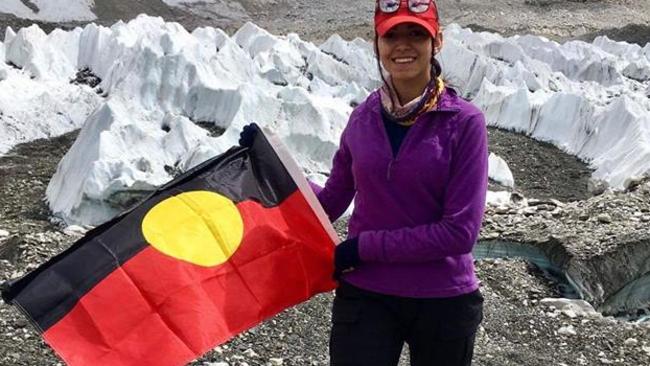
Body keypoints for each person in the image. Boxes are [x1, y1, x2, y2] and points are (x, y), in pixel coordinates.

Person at [240, 1, 488, 364]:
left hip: (443, 298)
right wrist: (275, 166)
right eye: (392, 35)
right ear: (377, 44)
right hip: (368, 295)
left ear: (437, 42)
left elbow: (459, 233)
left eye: (416, 34)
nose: (403, 45)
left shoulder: (464, 122)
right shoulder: (363, 118)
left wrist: (363, 248)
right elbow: (332, 200)